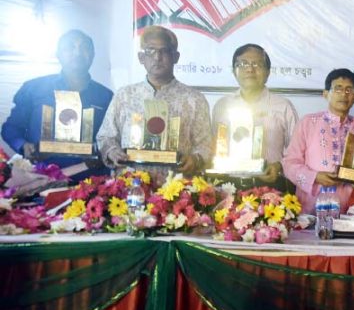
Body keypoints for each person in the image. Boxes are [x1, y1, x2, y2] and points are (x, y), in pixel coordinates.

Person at [96, 26, 212, 185]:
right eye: (150, 51)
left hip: (176, 191)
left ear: (176, 57)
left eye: (164, 51)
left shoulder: (194, 99)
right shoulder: (125, 96)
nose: (157, 57)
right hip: (130, 188)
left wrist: (195, 159)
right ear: (141, 57)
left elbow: (205, 145)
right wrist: (112, 152)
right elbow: (106, 137)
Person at [2, 30, 113, 180]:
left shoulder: (106, 96)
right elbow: (11, 127)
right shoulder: (34, 88)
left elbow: (111, 136)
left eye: (84, 47)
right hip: (39, 179)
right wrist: (23, 145)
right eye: (70, 47)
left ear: (93, 54)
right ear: (58, 54)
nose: (77, 52)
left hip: (90, 180)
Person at [211, 44, 298, 190]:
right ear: (234, 71)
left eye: (257, 64)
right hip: (227, 186)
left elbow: (297, 152)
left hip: (270, 187)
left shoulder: (283, 107)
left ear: (268, 72)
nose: (250, 69)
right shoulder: (221, 106)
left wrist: (278, 166)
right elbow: (214, 145)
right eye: (243, 63)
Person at [282, 69, 354, 215]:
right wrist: (315, 177)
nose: (343, 94)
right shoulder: (308, 123)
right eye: (337, 89)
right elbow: (289, 163)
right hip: (311, 208)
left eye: (349, 90)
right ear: (325, 94)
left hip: (352, 210)